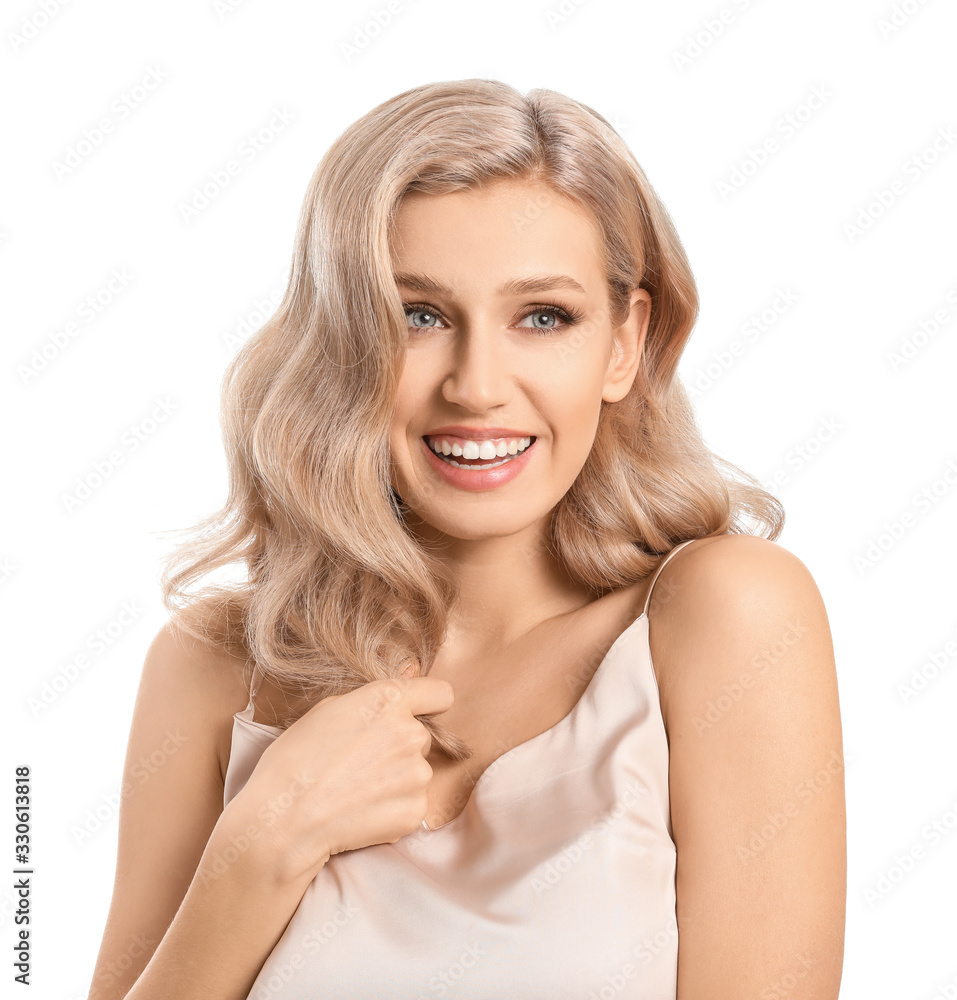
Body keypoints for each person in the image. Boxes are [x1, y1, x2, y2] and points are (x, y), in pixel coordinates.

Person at [88, 79, 846, 1000]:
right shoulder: (211, 668)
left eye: (543, 317)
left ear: (624, 343)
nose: (478, 385)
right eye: (418, 316)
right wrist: (260, 847)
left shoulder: (723, 617)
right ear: (342, 339)